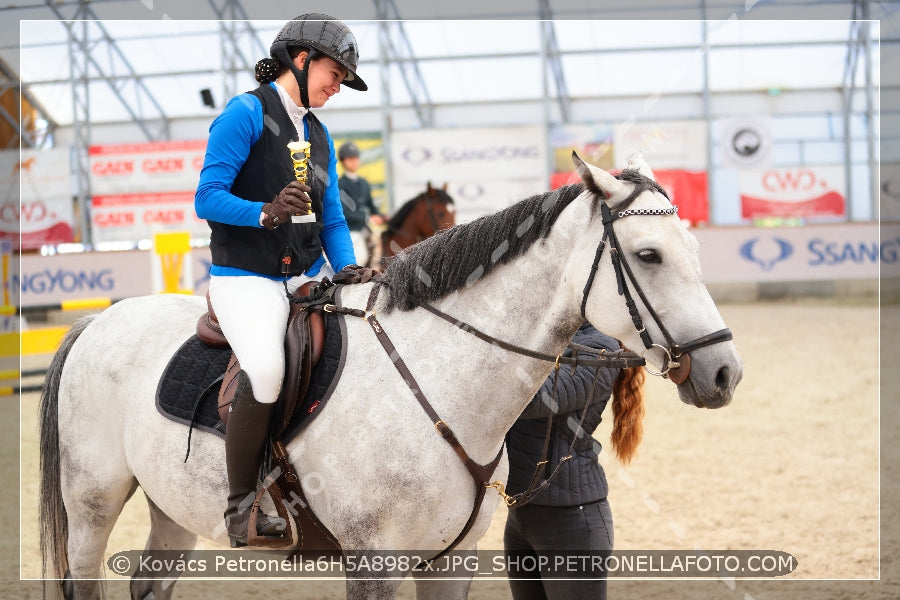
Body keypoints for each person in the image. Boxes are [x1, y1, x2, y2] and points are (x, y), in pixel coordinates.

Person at [194, 14, 372, 548]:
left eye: (343, 78)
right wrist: (266, 213)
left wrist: (346, 271)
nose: (337, 86)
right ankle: (240, 507)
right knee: (267, 369)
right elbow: (207, 196)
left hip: (304, 276)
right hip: (244, 277)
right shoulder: (244, 112)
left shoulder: (319, 135)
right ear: (300, 58)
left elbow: (333, 219)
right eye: (335, 73)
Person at [503, 323, 645, 600]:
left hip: (572, 523)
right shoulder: (545, 330)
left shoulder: (600, 349)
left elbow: (534, 400)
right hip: (521, 516)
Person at [337, 141, 385, 267]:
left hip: (366, 229)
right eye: (350, 159)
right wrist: (368, 218)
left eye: (356, 158)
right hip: (351, 230)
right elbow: (345, 213)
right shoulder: (340, 184)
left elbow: (372, 207)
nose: (354, 161)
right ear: (343, 161)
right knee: (360, 257)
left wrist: (383, 217)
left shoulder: (364, 183)